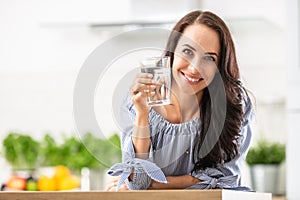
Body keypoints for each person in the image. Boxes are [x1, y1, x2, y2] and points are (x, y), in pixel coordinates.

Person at [105, 10, 253, 191]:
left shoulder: (235, 103)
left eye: (209, 58)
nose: (193, 68)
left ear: (219, 66)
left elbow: (227, 180)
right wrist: (142, 114)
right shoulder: (136, 99)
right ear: (172, 52)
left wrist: (155, 183)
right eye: (187, 51)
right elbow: (137, 183)